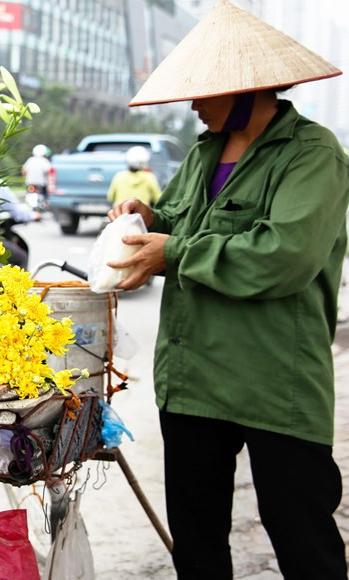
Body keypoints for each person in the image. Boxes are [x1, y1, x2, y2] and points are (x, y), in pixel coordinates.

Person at [106, 2, 347, 578]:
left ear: (248, 88)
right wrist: (149, 218)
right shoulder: (203, 152)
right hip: (192, 381)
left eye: (204, 92)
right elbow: (181, 225)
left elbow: (283, 257)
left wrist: (174, 250)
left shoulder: (312, 155)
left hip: (273, 383)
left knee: (303, 540)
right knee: (197, 545)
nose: (193, 104)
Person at [22, 144, 53, 211]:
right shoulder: (45, 161)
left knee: (29, 193)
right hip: (41, 184)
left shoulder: (30, 160)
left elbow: (24, 170)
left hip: (30, 184)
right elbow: (50, 172)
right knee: (45, 196)